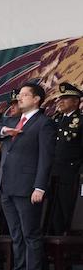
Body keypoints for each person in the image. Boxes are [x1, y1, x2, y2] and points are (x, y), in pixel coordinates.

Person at [0, 82, 56, 270]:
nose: (20, 98)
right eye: (19, 95)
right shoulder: (11, 120)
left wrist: (39, 187)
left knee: (30, 234)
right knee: (16, 234)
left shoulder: (44, 123)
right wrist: (5, 130)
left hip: (28, 187)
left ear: (36, 99)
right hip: (7, 185)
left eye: (25, 95)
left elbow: (45, 158)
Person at [48, 82, 83, 235]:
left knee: (67, 211)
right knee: (51, 212)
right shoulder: (55, 119)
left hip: (71, 174)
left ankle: (66, 246)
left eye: (66, 98)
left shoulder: (80, 121)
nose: (60, 101)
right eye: (60, 98)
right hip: (52, 173)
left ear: (76, 101)